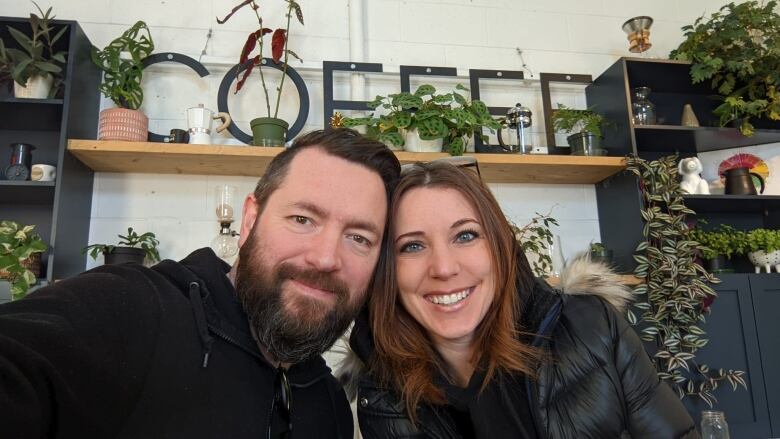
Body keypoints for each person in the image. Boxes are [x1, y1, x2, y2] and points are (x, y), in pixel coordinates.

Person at [0, 128, 400, 438]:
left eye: (359, 238)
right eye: (302, 219)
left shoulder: (328, 406)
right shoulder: (136, 310)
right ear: (248, 221)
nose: (326, 258)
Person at [343, 160, 698, 438]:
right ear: (387, 272)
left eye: (465, 235)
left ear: (502, 248)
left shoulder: (593, 327)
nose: (444, 268)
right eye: (413, 246)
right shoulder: (384, 389)